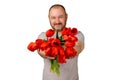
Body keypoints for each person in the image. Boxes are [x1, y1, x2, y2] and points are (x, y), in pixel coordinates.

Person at [37, 4, 84, 80]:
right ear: (49, 18)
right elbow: (40, 51)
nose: (57, 21)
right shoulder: (43, 36)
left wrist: (51, 50)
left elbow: (76, 48)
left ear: (66, 16)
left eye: (60, 17)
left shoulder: (77, 35)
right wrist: (45, 51)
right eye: (53, 18)